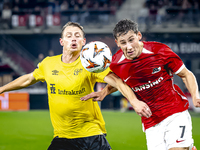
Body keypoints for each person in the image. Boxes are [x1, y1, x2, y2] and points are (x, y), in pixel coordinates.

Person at [0, 21, 152, 150]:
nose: (73, 39)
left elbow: (118, 82)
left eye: (77, 36)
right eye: (69, 36)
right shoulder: (48, 63)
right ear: (62, 41)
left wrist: (134, 101)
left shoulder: (91, 65)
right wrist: (2, 89)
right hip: (62, 136)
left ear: (83, 42)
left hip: (91, 135)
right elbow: (29, 78)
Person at [81, 19, 200, 150]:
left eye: (131, 40)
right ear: (117, 43)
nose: (129, 46)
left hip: (175, 111)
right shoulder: (115, 63)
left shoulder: (160, 51)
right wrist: (104, 92)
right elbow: (119, 83)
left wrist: (195, 95)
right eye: (123, 42)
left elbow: (186, 74)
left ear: (139, 35)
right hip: (150, 120)